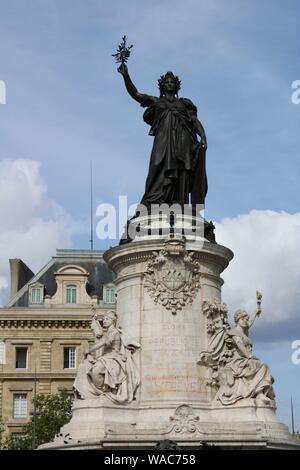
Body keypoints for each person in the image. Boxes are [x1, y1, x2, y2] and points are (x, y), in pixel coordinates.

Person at [118, 64, 208, 210]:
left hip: (183, 141)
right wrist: (126, 76)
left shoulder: (184, 104)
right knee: (157, 166)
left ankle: (179, 203)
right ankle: (152, 201)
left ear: (177, 85)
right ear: (162, 85)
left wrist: (203, 137)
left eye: (172, 82)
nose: (169, 83)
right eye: (166, 82)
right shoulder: (157, 101)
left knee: (181, 171)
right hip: (163, 140)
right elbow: (137, 94)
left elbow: (194, 121)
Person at [73, 311, 140, 404]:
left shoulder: (114, 332)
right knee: (84, 368)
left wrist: (89, 350)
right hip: (105, 358)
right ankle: (99, 393)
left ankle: (105, 393)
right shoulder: (107, 332)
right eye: (103, 319)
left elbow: (103, 342)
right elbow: (101, 341)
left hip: (114, 359)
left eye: (107, 319)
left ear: (113, 321)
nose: (104, 321)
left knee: (96, 370)